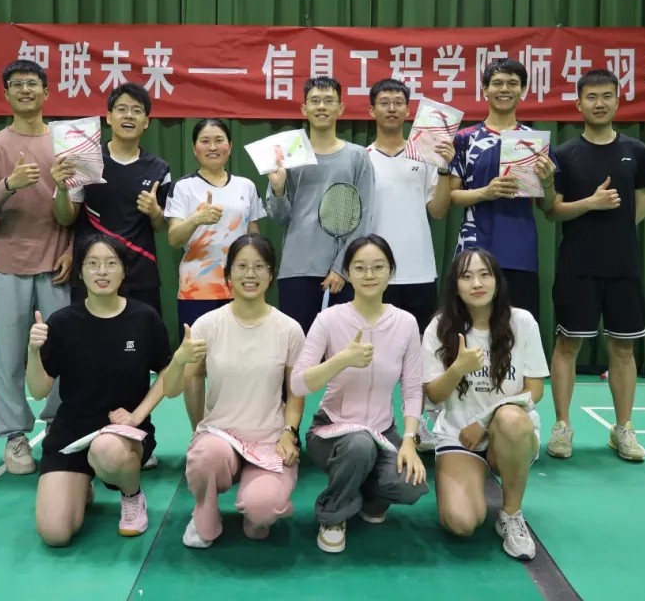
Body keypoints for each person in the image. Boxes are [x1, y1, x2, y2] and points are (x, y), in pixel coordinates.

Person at [0, 59, 74, 475]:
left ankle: (59, 426)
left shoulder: (65, 142)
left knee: (62, 352)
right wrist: (9, 184)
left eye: (32, 83)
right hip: (8, 265)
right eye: (16, 84)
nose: (25, 89)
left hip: (56, 264)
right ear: (6, 94)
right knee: (8, 356)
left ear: (47, 92)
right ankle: (14, 436)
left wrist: (71, 250)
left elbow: (77, 210)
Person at [160, 234, 305, 549]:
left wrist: (289, 432)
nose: (250, 274)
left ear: (272, 274)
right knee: (205, 457)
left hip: (269, 440)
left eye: (259, 266)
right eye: (241, 266)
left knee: (263, 510)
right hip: (221, 436)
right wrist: (180, 362)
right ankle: (205, 513)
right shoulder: (206, 325)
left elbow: (296, 393)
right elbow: (174, 388)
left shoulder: (290, 329)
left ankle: (255, 511)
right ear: (228, 275)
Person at [27, 234, 170, 545]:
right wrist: (33, 351)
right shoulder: (62, 322)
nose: (102, 272)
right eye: (92, 264)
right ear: (80, 271)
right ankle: (83, 485)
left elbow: (167, 374)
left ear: (124, 271)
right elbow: (38, 390)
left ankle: (131, 495)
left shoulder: (144, 318)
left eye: (110, 264)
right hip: (72, 434)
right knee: (55, 534)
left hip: (123, 434)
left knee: (107, 450)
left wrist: (137, 415)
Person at [290, 234, 428, 554]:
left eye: (378, 267)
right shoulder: (328, 320)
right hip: (332, 430)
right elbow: (298, 384)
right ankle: (333, 516)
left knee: (411, 485)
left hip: (383, 432)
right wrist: (340, 360)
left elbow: (412, 388)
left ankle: (370, 498)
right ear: (348, 274)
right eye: (360, 267)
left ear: (391, 272)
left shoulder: (406, 323)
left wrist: (409, 440)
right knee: (359, 445)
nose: (369, 274)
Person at [544, 68, 645, 463]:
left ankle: (623, 428)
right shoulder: (564, 154)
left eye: (606, 96)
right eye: (591, 96)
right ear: (578, 104)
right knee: (567, 345)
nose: (599, 103)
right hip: (577, 265)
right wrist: (591, 204)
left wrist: (615, 232)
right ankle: (562, 426)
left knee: (623, 349)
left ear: (617, 101)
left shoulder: (637, 152)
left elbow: (641, 204)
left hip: (623, 266)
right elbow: (552, 211)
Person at [421, 247, 549, 561]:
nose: (477, 283)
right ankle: (467, 477)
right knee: (461, 523)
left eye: (484, 275)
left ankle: (511, 515)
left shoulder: (522, 322)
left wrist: (484, 421)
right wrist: (458, 369)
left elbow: (535, 391)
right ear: (455, 286)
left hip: (510, 432)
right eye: (467, 277)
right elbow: (433, 395)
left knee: (510, 419)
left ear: (496, 280)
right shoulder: (439, 328)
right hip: (459, 435)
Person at [365, 77, 456, 451]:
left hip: (419, 271)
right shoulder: (361, 159)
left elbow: (439, 211)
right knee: (375, 355)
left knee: (421, 355)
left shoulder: (427, 156)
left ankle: (421, 426)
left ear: (408, 110)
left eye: (398, 102)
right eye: (384, 102)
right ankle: (374, 424)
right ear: (371, 110)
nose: (391, 108)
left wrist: (446, 169)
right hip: (374, 276)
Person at [164, 119, 265, 430]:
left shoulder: (246, 186)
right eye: (205, 141)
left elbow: (254, 237)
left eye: (219, 140)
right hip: (197, 289)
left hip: (241, 289)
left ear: (230, 147)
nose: (212, 147)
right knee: (195, 366)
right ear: (195, 149)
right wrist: (196, 220)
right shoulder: (183, 187)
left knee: (240, 364)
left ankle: (238, 427)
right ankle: (199, 431)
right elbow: (173, 238)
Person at [448, 59, 557, 321]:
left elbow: (547, 206)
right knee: (469, 328)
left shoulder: (534, 141)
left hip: (520, 252)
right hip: (474, 249)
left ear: (523, 90)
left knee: (519, 330)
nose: (504, 89)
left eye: (512, 83)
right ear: (485, 89)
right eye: (497, 83)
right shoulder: (465, 138)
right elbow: (453, 195)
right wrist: (486, 192)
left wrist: (547, 182)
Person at [265, 76, 375, 334]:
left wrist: (341, 268)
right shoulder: (287, 155)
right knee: (298, 350)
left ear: (341, 108)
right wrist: (278, 188)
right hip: (296, 270)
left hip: (342, 274)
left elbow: (364, 217)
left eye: (328, 101)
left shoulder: (357, 156)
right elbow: (279, 218)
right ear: (304, 109)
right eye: (315, 101)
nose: (322, 106)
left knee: (342, 350)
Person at [51, 82, 171, 314]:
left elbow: (162, 226)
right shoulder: (85, 159)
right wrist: (62, 189)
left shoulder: (159, 168)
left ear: (146, 122)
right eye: (121, 109)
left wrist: (155, 212)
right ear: (108, 117)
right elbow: (65, 218)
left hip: (140, 274)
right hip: (92, 271)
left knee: (142, 335)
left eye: (137, 110)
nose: (129, 115)